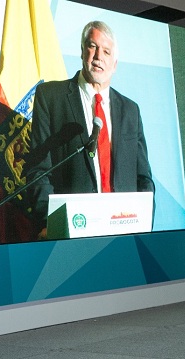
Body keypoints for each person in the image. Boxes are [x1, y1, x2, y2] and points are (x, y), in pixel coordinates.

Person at [26, 20, 153, 239]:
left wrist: (144, 224)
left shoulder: (130, 110)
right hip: (71, 230)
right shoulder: (50, 97)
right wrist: (51, 224)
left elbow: (143, 177)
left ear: (115, 64)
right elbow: (38, 170)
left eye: (106, 51)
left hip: (123, 230)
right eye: (92, 46)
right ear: (83, 51)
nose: (98, 56)